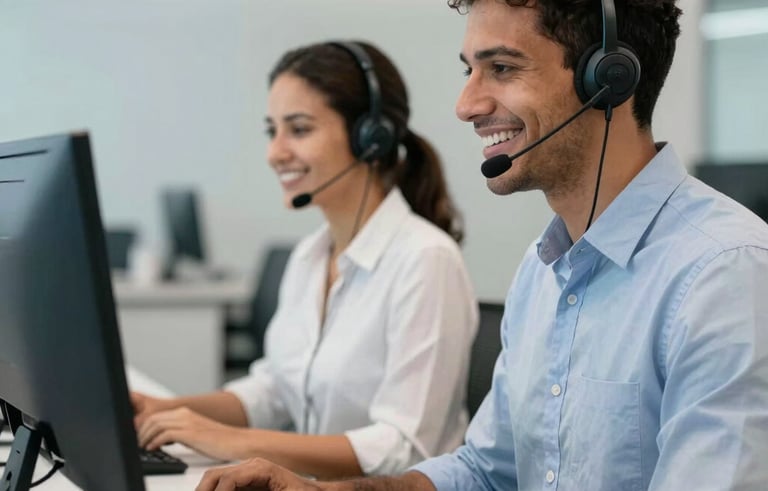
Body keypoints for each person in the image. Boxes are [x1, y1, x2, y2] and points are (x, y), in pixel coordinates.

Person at [194, 0, 768, 490]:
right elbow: (484, 472)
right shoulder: (543, 269)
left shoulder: (724, 274)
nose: (466, 104)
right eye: (470, 70)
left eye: (501, 68)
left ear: (608, 79)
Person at [131, 40, 479, 479]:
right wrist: (168, 409)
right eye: (271, 130)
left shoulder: (426, 261)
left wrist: (231, 441)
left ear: (370, 139)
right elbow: (275, 390)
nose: (275, 152)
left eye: (298, 129)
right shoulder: (309, 257)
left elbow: (401, 448)